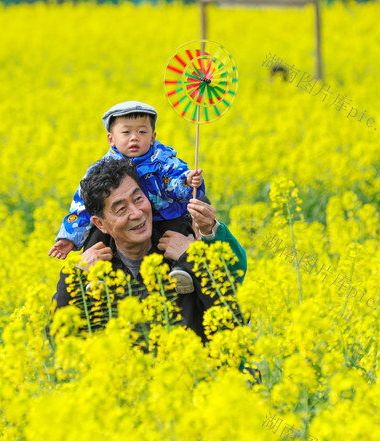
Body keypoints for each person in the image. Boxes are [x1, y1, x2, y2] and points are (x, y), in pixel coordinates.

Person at [51, 157, 246, 342]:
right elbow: (58, 340)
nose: (136, 213)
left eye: (138, 199)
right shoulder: (91, 270)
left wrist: (195, 258)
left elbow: (237, 318)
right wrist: (73, 276)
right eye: (121, 209)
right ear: (100, 224)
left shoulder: (183, 251)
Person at [48, 101, 205, 294]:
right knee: (97, 235)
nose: (134, 138)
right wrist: (70, 237)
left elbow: (175, 178)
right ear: (111, 139)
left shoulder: (163, 160)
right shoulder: (100, 171)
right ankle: (97, 278)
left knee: (179, 231)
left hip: (165, 217)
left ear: (153, 137)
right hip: (122, 227)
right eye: (126, 132)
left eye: (142, 132)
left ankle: (182, 273)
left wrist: (187, 181)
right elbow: (83, 206)